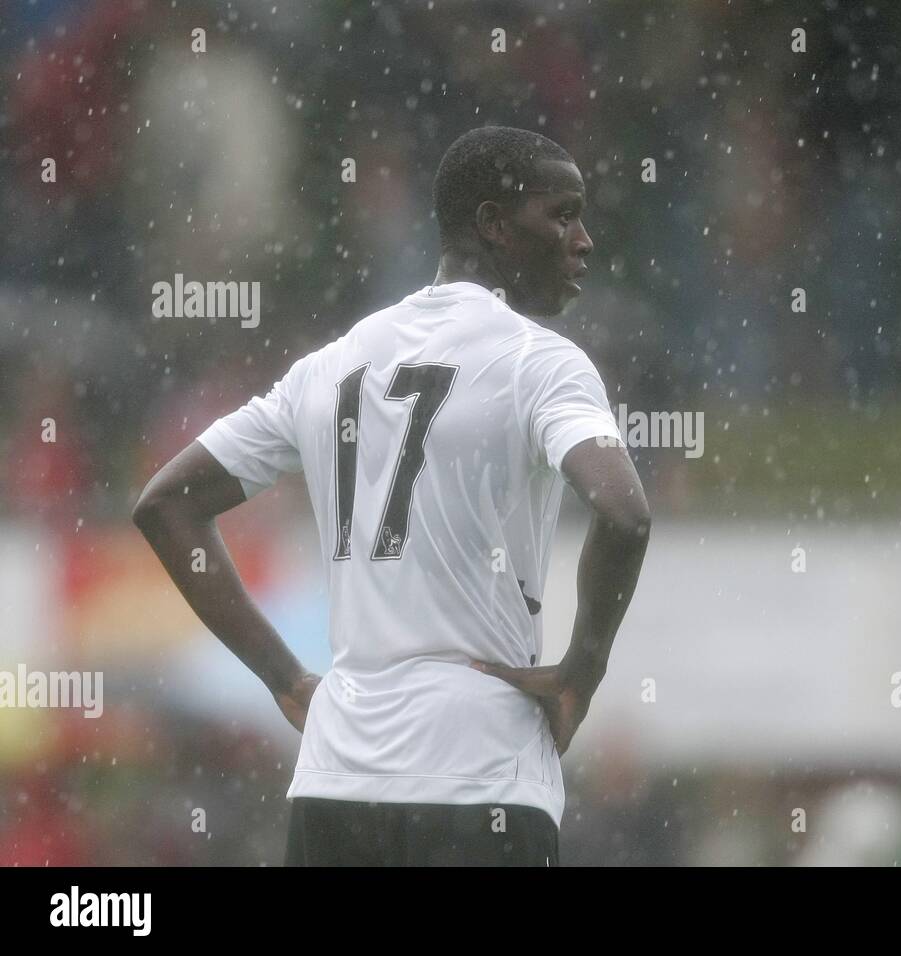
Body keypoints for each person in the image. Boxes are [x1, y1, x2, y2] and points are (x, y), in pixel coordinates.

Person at [132, 126, 651, 866]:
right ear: (494, 225)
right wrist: (582, 672)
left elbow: (166, 505)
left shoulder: (332, 364)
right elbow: (625, 514)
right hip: (483, 776)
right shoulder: (541, 364)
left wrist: (285, 680)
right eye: (562, 215)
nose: (584, 240)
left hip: (337, 780)